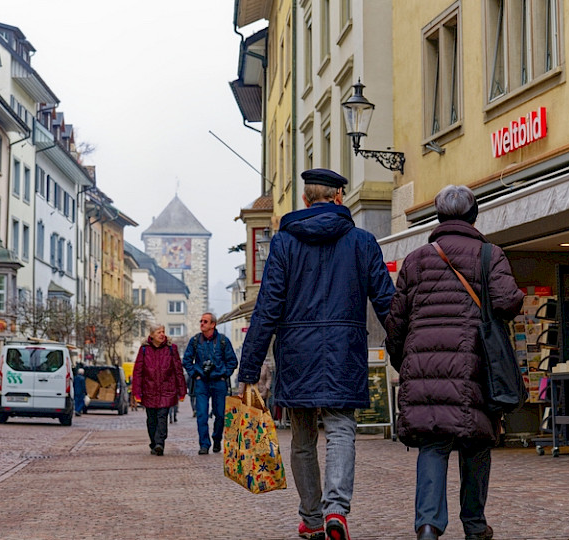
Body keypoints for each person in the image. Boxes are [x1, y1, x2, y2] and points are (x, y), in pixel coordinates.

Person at [237, 168, 395, 540]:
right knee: (342, 429)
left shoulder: (284, 243)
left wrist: (249, 366)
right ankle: (336, 510)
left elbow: (268, 306)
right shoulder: (363, 241)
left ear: (305, 200)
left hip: (297, 353)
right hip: (344, 352)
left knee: (304, 437)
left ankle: (311, 517)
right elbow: (388, 302)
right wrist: (406, 348)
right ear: (339, 198)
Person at [384, 185, 524, 540]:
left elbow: (396, 322)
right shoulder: (490, 255)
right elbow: (508, 303)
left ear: (439, 217)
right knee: (476, 441)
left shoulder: (415, 260)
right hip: (473, 364)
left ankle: (428, 525)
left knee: (433, 443)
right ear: (474, 216)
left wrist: (407, 363)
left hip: (424, 365)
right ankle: (475, 525)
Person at [182, 312, 238, 455]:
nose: (202, 324)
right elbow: (187, 360)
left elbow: (232, 361)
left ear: (213, 324)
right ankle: (204, 444)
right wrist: (195, 374)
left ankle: (217, 438)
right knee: (201, 414)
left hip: (219, 382)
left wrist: (224, 374)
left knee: (220, 415)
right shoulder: (195, 341)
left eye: (205, 321)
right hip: (202, 382)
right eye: (201, 321)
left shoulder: (223, 341)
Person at [131, 324, 186, 456]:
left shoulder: (171, 349)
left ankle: (160, 443)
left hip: (167, 390)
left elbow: (178, 371)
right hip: (149, 390)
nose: (162, 334)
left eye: (163, 332)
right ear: (151, 335)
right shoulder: (144, 350)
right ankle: (153, 443)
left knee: (162, 417)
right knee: (151, 419)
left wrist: (182, 390)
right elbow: (138, 372)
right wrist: (136, 392)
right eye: (158, 332)